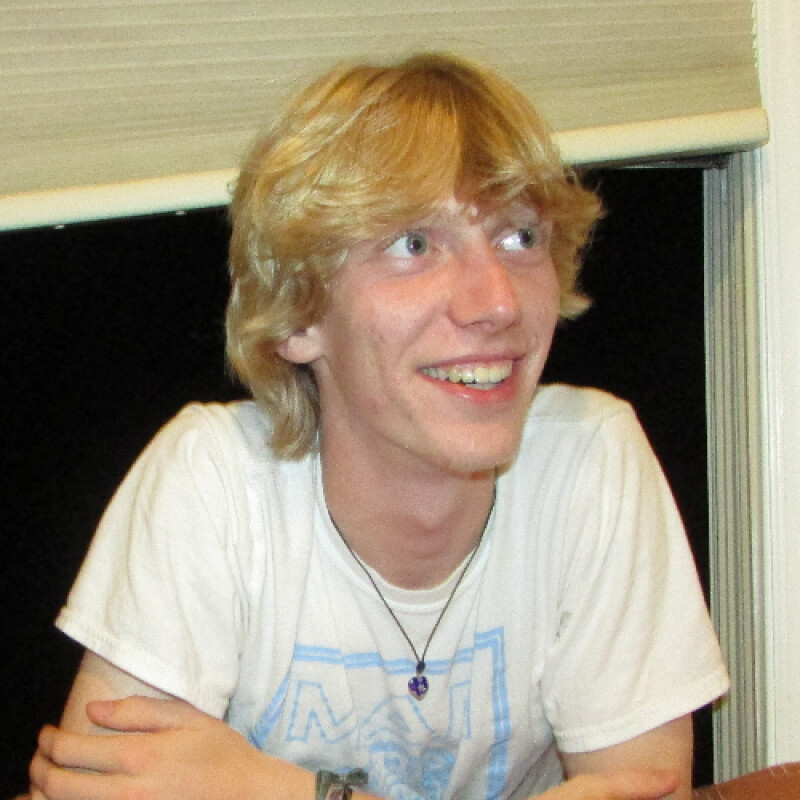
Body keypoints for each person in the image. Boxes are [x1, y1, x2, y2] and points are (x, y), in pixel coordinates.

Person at [27, 52, 728, 800]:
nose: (497, 303)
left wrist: (282, 791)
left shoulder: (589, 460)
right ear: (298, 316)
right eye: (414, 245)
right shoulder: (214, 485)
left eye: (521, 237)